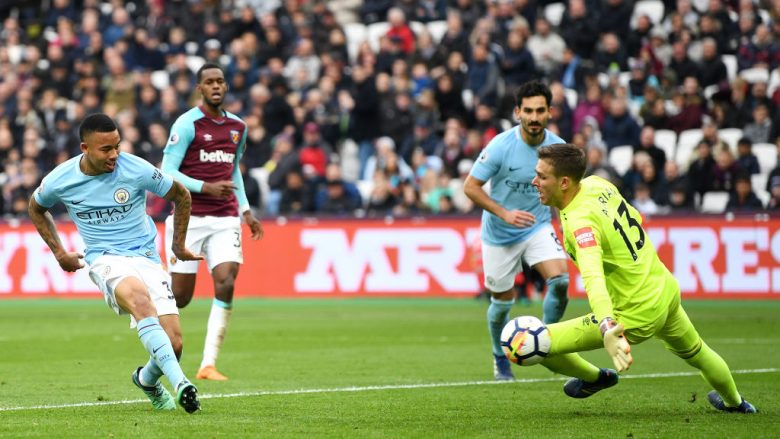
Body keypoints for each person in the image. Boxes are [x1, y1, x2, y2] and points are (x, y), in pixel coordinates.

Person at [527, 143, 757, 413]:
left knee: (533, 343)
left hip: (633, 311)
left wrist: (606, 326)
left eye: (542, 176)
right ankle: (737, 404)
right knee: (697, 352)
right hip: (663, 289)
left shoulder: (580, 224)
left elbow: (593, 277)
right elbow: (634, 217)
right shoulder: (597, 184)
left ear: (564, 182)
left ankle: (596, 379)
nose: (535, 181)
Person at [28, 113, 202, 413]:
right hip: (105, 258)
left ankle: (146, 380)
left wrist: (177, 244)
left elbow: (181, 195)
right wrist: (59, 252)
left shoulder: (135, 169)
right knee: (138, 299)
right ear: (85, 148)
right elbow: (36, 207)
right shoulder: (61, 179)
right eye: (105, 149)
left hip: (146, 256)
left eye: (117, 146)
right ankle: (182, 384)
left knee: (173, 345)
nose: (115, 155)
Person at [161, 62, 264, 381]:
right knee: (181, 297)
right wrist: (204, 187)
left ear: (226, 87)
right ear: (199, 88)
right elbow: (167, 171)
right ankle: (150, 298)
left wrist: (245, 210)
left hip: (224, 218)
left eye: (220, 81)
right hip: (187, 218)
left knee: (227, 280)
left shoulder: (238, 128)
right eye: (209, 82)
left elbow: (233, 170)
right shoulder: (187, 124)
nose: (216, 86)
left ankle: (208, 364)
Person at [463, 80, 571, 381]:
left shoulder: (558, 150)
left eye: (540, 110)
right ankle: (500, 356)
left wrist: (567, 221)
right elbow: (470, 187)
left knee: (560, 280)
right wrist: (504, 213)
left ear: (549, 112)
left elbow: (570, 192)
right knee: (502, 304)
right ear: (517, 112)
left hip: (537, 226)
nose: (534, 117)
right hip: (500, 233)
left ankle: (548, 343)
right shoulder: (500, 146)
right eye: (528, 111)